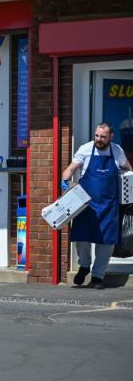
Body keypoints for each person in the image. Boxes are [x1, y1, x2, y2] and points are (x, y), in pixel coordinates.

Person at [61, 122, 132, 289]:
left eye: (103, 137)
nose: (99, 140)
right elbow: (70, 169)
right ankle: (84, 265)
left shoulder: (117, 151)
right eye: (97, 136)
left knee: (106, 243)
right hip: (86, 204)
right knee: (81, 237)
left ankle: (98, 277)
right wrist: (64, 182)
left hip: (109, 205)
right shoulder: (85, 149)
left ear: (111, 137)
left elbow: (128, 169)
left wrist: (129, 182)